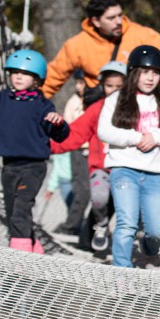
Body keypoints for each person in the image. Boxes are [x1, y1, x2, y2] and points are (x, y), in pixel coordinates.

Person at [0, 47, 70, 252]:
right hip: (9, 166)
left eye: (24, 73)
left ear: (37, 79)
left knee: (22, 208)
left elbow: (60, 135)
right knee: (13, 211)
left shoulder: (42, 105)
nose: (18, 77)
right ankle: (31, 243)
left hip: (33, 167)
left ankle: (19, 254)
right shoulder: (4, 99)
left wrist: (58, 123)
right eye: (14, 72)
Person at [97, 46, 160, 268]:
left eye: (155, 73)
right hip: (123, 168)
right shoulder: (117, 98)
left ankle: (149, 251)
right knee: (126, 223)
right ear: (134, 72)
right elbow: (103, 131)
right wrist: (135, 138)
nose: (150, 77)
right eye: (145, 72)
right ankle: (122, 270)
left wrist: (156, 136)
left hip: (154, 172)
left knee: (157, 229)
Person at [41, 0, 160, 98]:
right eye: (111, 18)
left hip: (135, 111)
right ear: (95, 21)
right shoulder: (77, 45)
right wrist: (30, 101)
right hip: (100, 115)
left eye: (120, 15)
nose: (119, 21)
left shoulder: (140, 35)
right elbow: (53, 77)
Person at [51, 61, 127, 253]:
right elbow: (75, 133)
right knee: (100, 200)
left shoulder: (135, 108)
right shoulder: (98, 109)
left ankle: (131, 239)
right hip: (101, 167)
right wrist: (45, 146)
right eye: (110, 86)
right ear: (103, 86)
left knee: (125, 205)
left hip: (127, 169)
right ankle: (93, 237)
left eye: (120, 87)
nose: (115, 91)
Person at [56, 69, 90, 238]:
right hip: (79, 150)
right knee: (82, 190)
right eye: (77, 82)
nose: (78, 86)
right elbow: (69, 126)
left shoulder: (96, 101)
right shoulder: (73, 102)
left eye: (82, 82)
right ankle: (72, 224)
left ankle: (92, 227)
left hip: (96, 151)